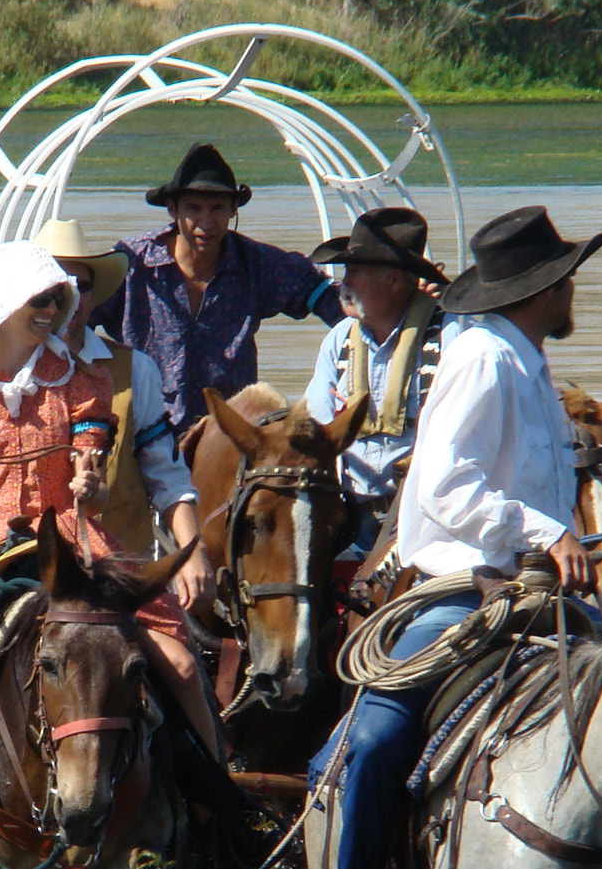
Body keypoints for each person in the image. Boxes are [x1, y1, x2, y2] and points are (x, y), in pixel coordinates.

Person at [301, 205, 602, 869]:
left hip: (543, 597)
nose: (576, 287)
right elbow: (441, 492)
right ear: (543, 287)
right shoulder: (484, 361)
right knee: (372, 739)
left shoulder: (527, 364)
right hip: (465, 591)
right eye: (568, 275)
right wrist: (546, 532)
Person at [0, 241, 218, 818]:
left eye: (56, 299)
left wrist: (92, 488)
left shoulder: (82, 383)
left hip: (72, 539)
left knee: (180, 664)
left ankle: (214, 814)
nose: (52, 311)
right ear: (1, 303)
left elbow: (95, 480)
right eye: (40, 300)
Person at [92, 142, 345, 435]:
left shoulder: (255, 264)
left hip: (230, 438)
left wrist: (354, 367)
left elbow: (330, 300)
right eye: (193, 209)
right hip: (143, 431)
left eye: (217, 209)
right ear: (173, 209)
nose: (206, 223)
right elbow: (75, 319)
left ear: (233, 209)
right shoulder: (132, 264)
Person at [31, 217, 213, 609]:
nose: (70, 298)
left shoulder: (134, 370)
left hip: (119, 572)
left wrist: (191, 552)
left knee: (182, 665)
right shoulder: (5, 369)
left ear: (94, 296)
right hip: (30, 570)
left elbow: (167, 473)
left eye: (81, 286)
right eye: (57, 286)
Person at [300, 207, 450, 559]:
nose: (343, 283)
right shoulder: (339, 339)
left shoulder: (450, 337)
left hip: (424, 520)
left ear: (395, 281)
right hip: (349, 522)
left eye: (353, 271)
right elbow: (317, 430)